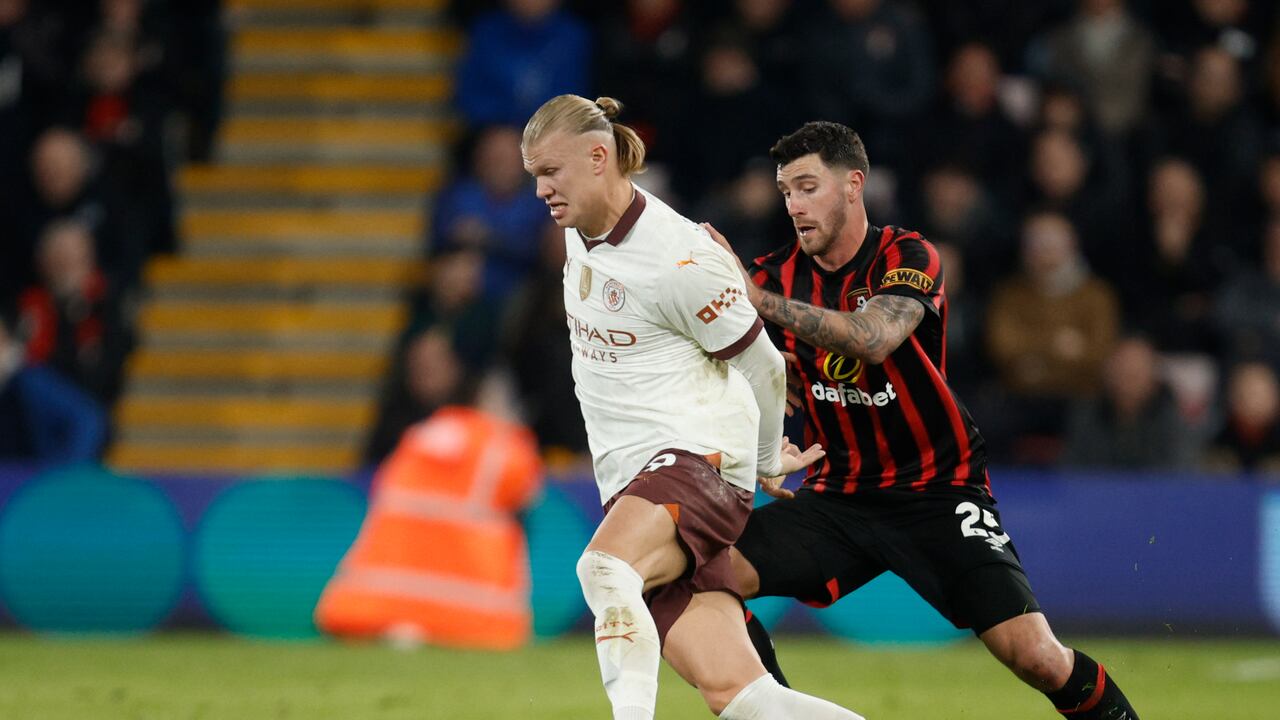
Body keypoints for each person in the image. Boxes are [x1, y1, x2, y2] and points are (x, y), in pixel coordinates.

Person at [706, 121, 1139, 720]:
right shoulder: (768, 275)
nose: (794, 206)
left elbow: (875, 338)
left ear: (853, 184)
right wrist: (759, 444)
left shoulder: (907, 255)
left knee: (1036, 657)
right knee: (709, 574)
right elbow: (738, 372)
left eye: (807, 187)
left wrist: (757, 306)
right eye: (785, 192)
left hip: (937, 488)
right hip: (842, 496)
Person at [521, 95, 864, 720]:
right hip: (635, 477)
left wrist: (762, 459)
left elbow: (764, 363)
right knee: (739, 694)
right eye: (534, 176)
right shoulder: (582, 232)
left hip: (693, 463)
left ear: (599, 158)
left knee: (603, 568)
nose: (541, 189)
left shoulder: (678, 258)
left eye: (550, 172)